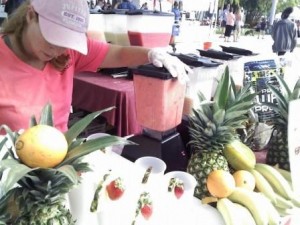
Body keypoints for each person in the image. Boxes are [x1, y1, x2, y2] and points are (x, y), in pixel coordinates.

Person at [0, 0, 190, 133]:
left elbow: (116, 53)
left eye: (65, 42)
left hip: (57, 160)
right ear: (31, 15)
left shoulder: (68, 54)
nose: (57, 50)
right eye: (52, 38)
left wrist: (151, 53)